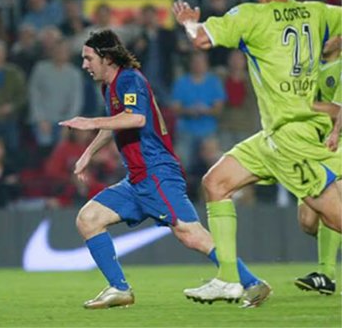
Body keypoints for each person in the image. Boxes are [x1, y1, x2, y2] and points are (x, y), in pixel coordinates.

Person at [172, 0, 342, 303]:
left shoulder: (250, 16)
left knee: (335, 219)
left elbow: (201, 38)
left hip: (292, 139)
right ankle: (228, 279)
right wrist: (332, 48)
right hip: (273, 137)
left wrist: (188, 20)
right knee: (216, 183)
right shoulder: (317, 12)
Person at [59, 29, 269, 310]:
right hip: (136, 179)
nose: (84, 64)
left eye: (88, 58)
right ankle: (119, 289)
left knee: (190, 234)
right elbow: (115, 123)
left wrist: (89, 122)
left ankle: (251, 282)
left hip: (157, 173)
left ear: (107, 57)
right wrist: (88, 153)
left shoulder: (130, 79)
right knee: (89, 219)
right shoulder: (109, 87)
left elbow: (135, 119)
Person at [294, 35, 342, 295]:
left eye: (330, 34)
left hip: (337, 143)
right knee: (307, 221)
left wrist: (301, 106)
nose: (324, 39)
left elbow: (337, 110)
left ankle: (326, 275)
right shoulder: (306, 67)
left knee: (328, 204)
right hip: (312, 144)